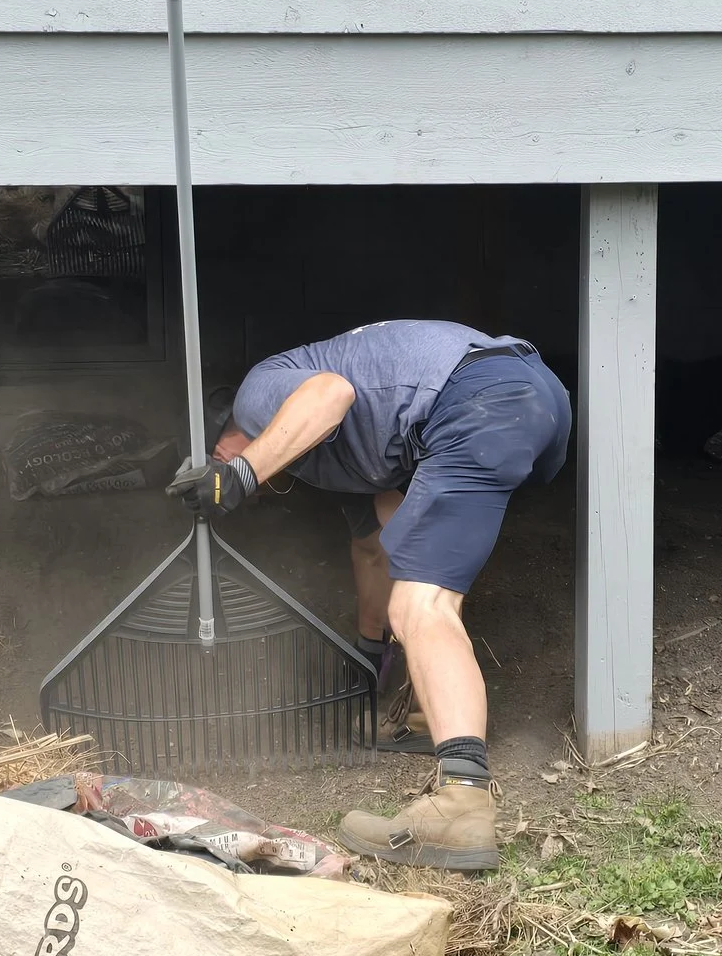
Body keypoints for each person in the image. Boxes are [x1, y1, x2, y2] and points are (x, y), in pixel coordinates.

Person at [166, 320, 572, 870]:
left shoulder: (260, 390)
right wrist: (369, 662)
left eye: (217, 457)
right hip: (529, 394)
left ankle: (462, 800)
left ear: (223, 437)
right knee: (421, 585)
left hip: (481, 395)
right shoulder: (349, 455)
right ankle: (436, 712)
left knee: (422, 605)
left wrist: (237, 474)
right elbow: (378, 547)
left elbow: (330, 394)